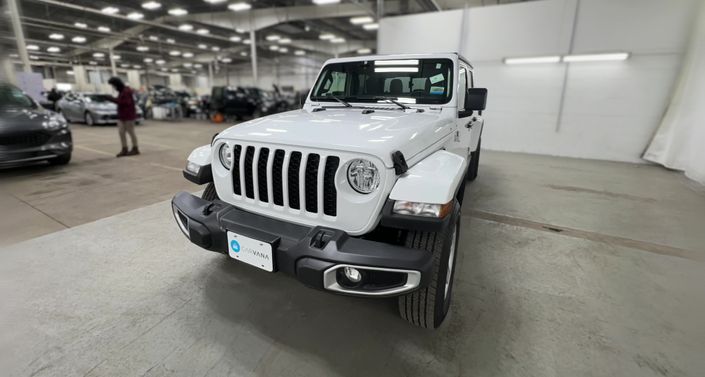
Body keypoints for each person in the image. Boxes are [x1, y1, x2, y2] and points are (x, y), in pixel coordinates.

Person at [107, 77, 140, 157]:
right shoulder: (121, 91)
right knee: (121, 132)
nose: (113, 87)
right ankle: (124, 148)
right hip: (121, 116)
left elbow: (126, 103)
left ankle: (135, 148)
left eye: (113, 85)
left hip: (128, 115)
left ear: (116, 84)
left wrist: (112, 99)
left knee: (130, 132)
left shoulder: (126, 91)